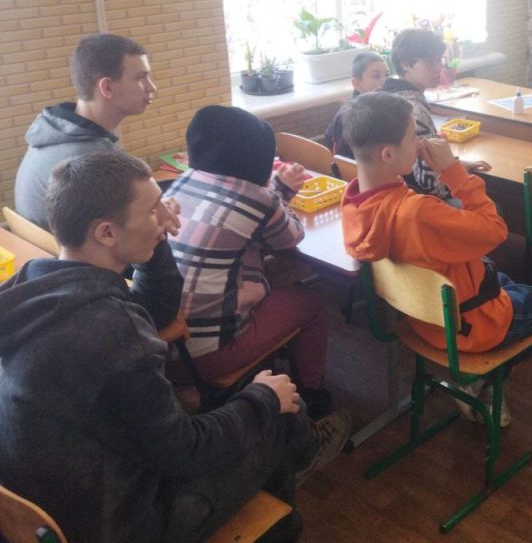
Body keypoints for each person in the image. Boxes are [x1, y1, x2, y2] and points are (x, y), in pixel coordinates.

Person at [0, 152, 348, 543]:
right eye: (153, 210)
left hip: (62, 495)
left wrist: (156, 239)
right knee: (277, 411)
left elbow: (156, 310)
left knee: (251, 402)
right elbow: (186, 451)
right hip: (124, 521)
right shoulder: (113, 335)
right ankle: (295, 483)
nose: (165, 214)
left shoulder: (34, 282)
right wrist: (264, 400)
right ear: (106, 233)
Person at [340, 91, 532, 426]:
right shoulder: (416, 213)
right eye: (413, 137)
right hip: (465, 325)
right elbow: (495, 230)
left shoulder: (354, 203)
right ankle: (480, 380)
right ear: (388, 154)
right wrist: (453, 170)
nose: (419, 143)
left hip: (422, 316)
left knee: (506, 281)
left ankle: (478, 375)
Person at [165, 106, 335, 418]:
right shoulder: (260, 197)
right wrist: (280, 191)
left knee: (276, 273)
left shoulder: (184, 180)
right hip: (207, 355)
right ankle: (313, 398)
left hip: (167, 344)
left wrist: (276, 190)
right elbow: (290, 236)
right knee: (311, 304)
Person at [14, 33, 157, 228]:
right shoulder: (94, 162)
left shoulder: (50, 132)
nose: (152, 87)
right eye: (141, 78)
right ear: (107, 87)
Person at [379, 27, 490, 200]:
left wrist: (456, 162)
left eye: (439, 60)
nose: (438, 69)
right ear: (405, 64)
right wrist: (457, 172)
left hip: (393, 194)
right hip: (418, 201)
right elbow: (432, 185)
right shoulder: (413, 110)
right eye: (429, 63)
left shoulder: (386, 94)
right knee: (492, 202)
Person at [323, 50, 390, 157]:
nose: (385, 81)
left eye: (387, 75)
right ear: (357, 83)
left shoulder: (383, 107)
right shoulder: (349, 118)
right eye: (376, 76)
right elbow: (342, 161)